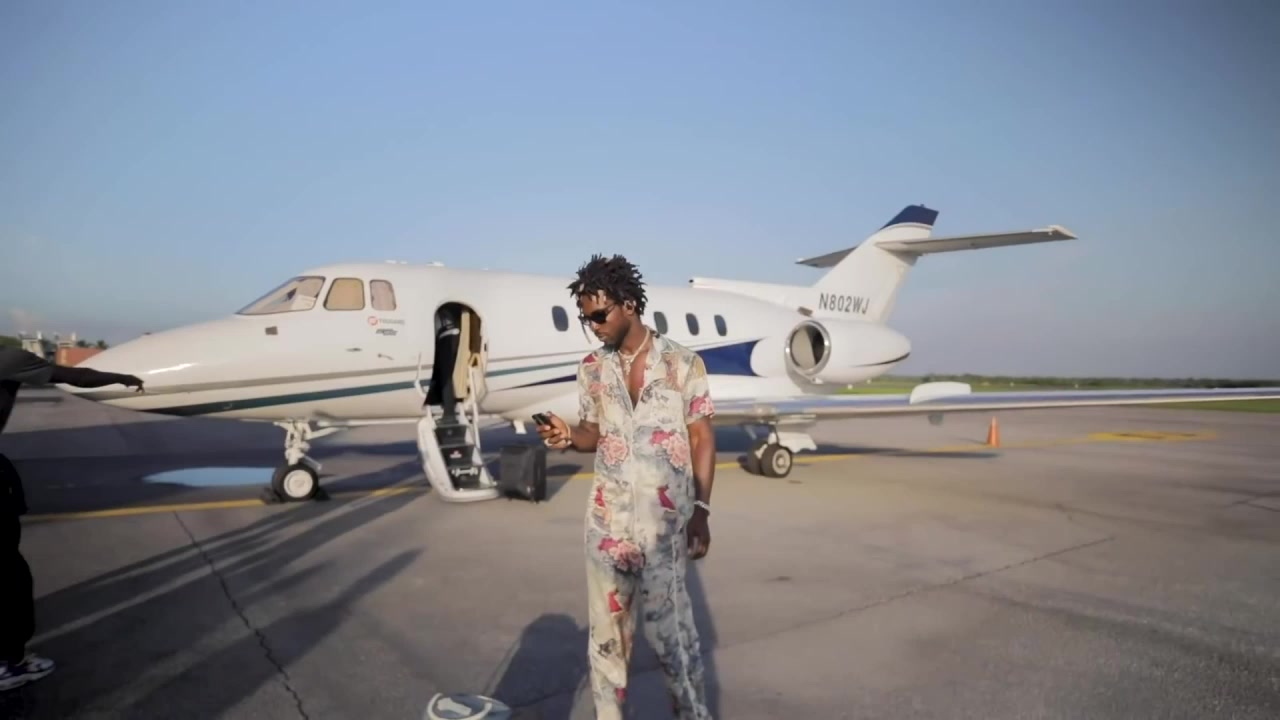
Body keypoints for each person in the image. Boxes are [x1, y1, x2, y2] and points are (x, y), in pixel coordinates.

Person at [536, 254, 716, 720]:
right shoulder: (591, 369)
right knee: (606, 643)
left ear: (630, 305)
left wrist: (701, 511)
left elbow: (702, 437)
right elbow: (592, 433)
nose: (593, 326)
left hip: (664, 529)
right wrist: (567, 435)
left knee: (673, 641)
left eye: (599, 315)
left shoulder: (683, 363)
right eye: (586, 318)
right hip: (607, 525)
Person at [0, 346, 143, 692]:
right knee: (10, 579)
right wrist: (124, 378)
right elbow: (76, 376)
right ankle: (7, 664)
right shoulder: (9, 359)